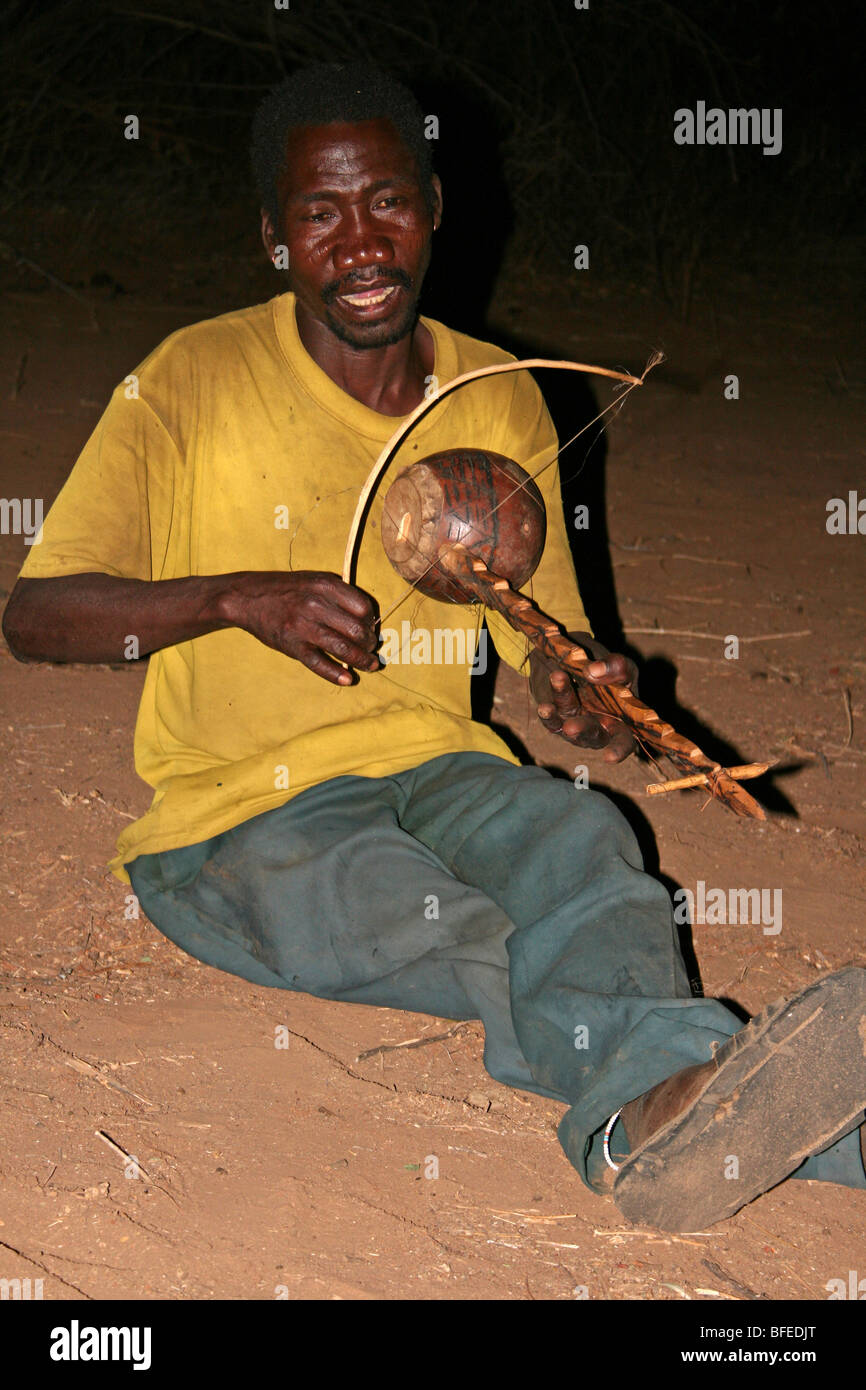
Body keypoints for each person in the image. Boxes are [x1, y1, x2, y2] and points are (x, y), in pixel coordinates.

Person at [4, 64, 864, 1233]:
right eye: (319, 211)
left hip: (443, 770)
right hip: (238, 826)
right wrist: (233, 597)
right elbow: (38, 615)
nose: (360, 241)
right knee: (471, 929)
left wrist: (584, 690)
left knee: (581, 838)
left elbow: (545, 652)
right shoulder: (191, 379)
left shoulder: (499, 400)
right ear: (273, 236)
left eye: (387, 201)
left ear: (435, 206)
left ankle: (677, 1117)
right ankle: (677, 1112)